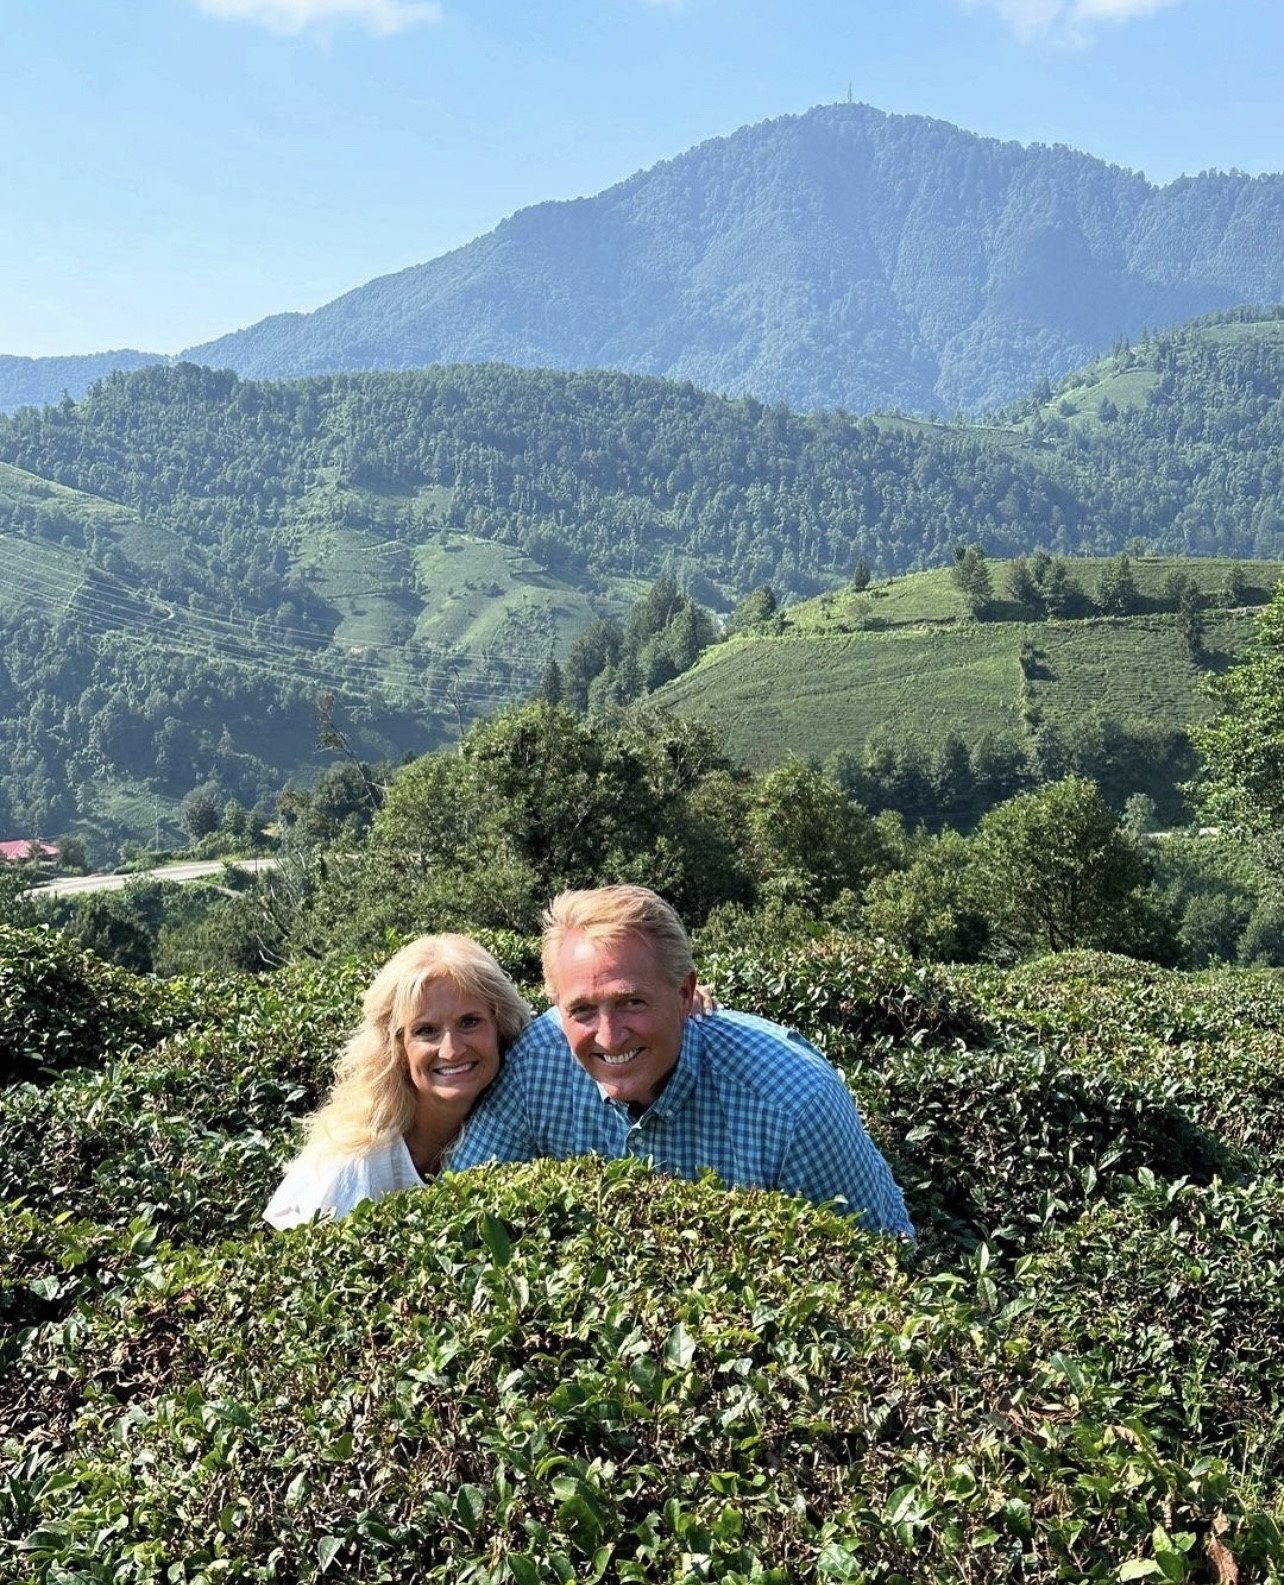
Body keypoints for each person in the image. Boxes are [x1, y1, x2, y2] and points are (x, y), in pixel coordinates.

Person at [449, 884, 913, 1235]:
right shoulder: (537, 1062)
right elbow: (464, 1211)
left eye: (632, 1002)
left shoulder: (794, 1103)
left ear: (685, 993)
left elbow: (876, 1261)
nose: (609, 1037)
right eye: (582, 1010)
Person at [264, 933, 532, 1228]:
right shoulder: (355, 1166)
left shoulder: (514, 1126)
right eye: (425, 1031)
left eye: (469, 1022)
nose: (451, 1050)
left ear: (500, 1027)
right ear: (396, 1046)